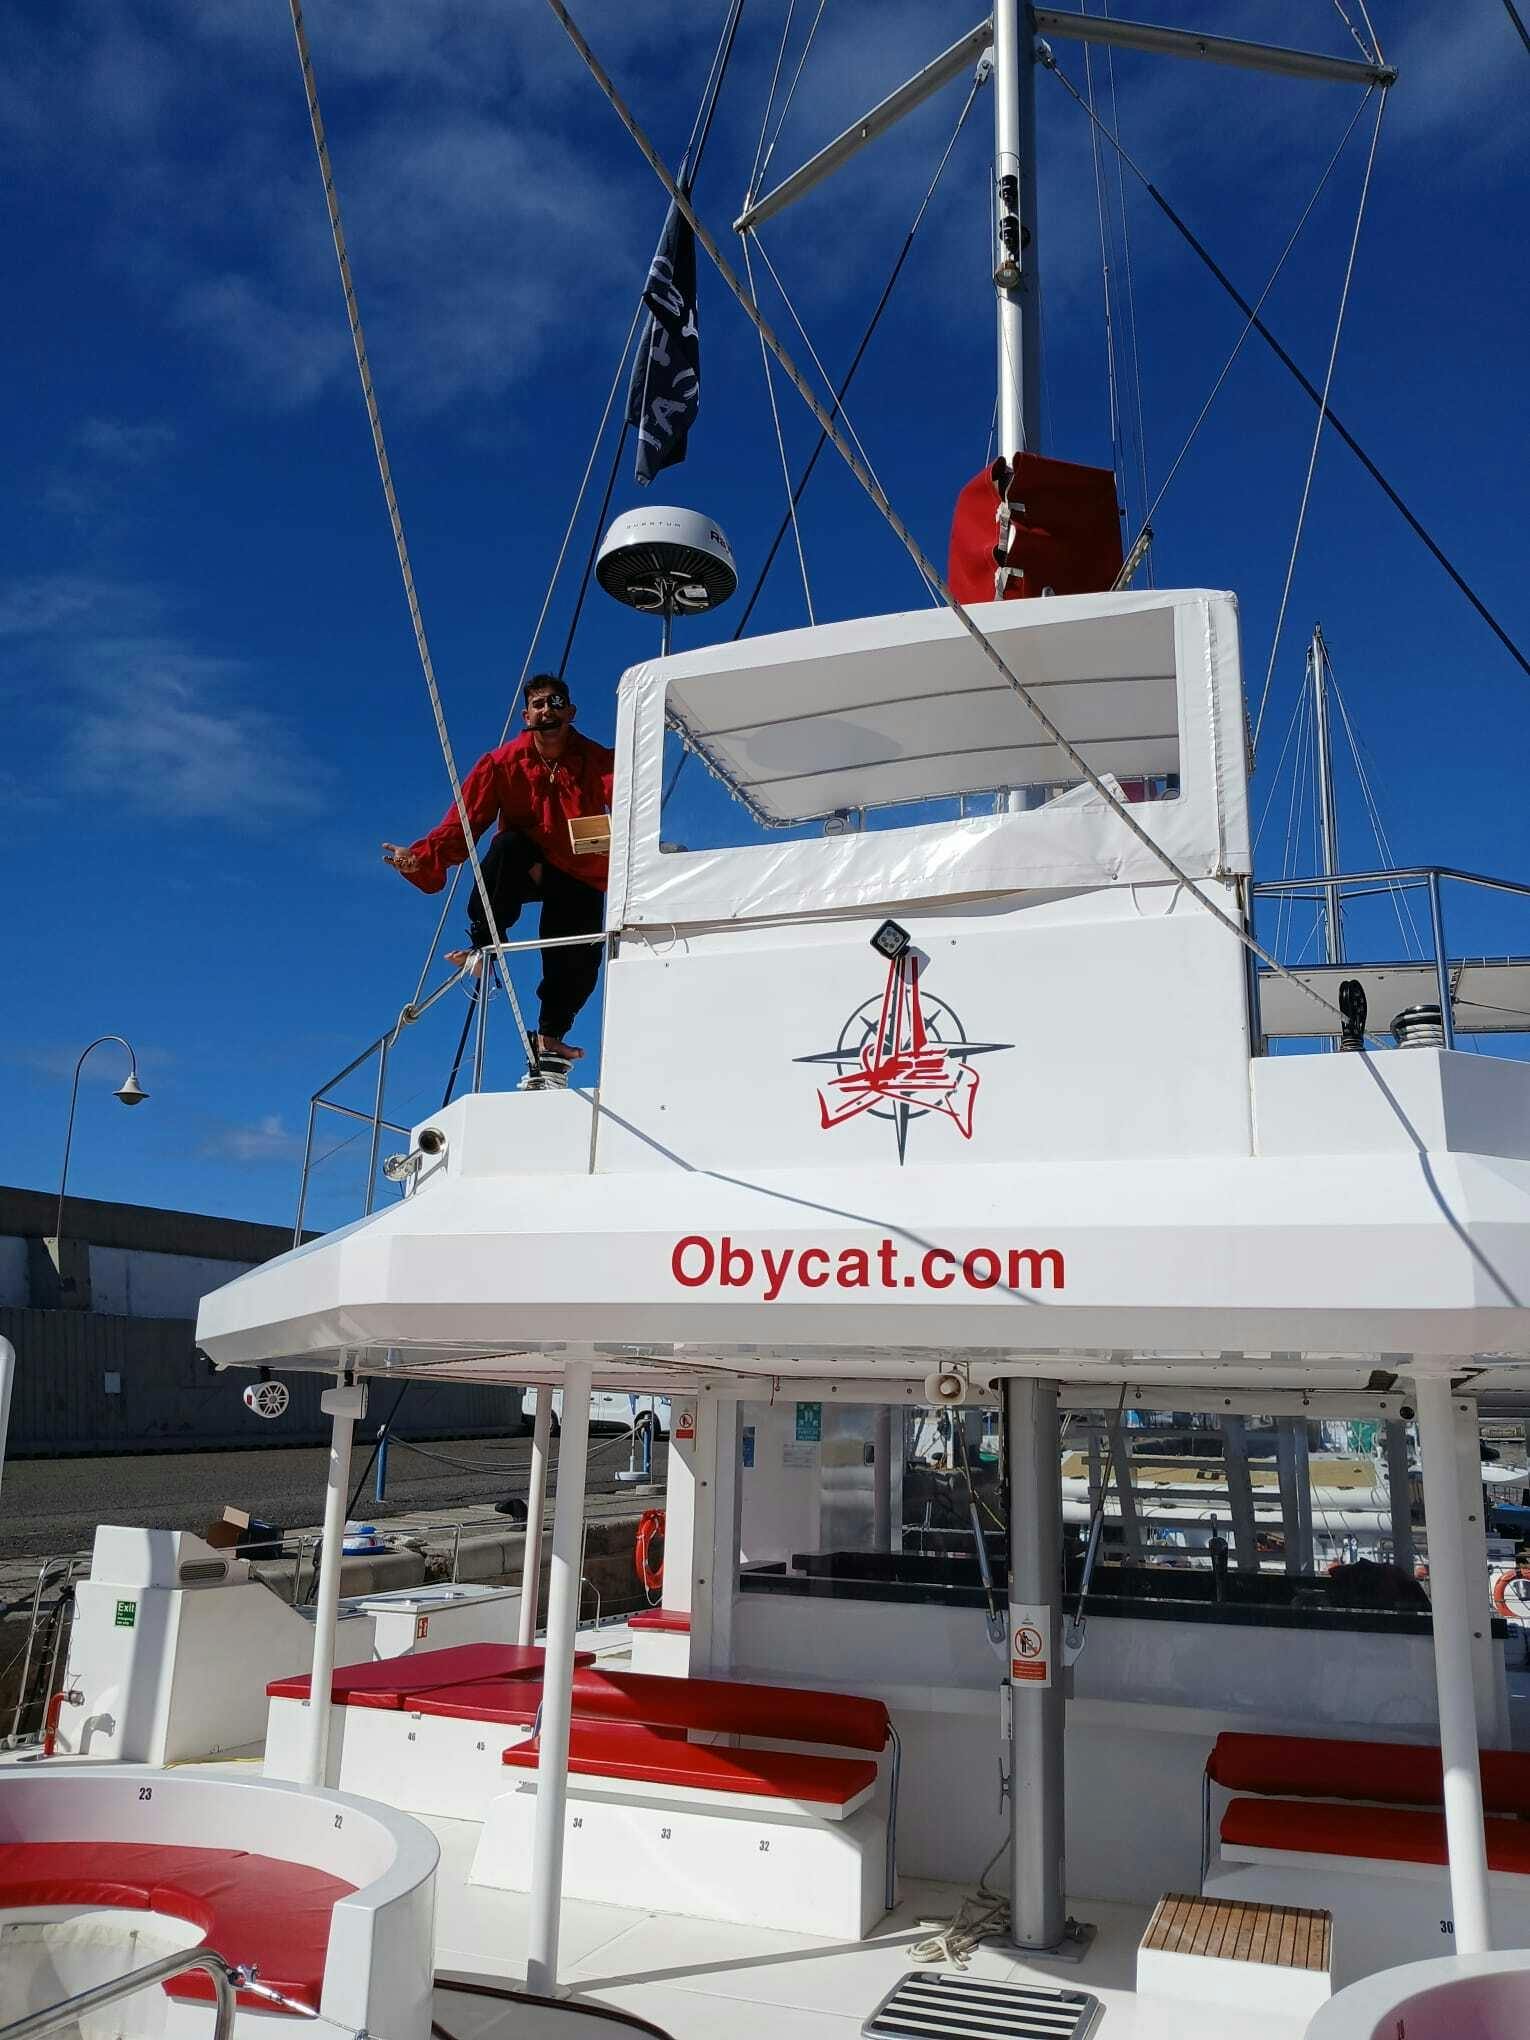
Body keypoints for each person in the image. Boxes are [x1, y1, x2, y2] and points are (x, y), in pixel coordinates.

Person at [383, 675, 614, 1083]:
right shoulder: (501, 764)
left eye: (556, 702)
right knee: (505, 848)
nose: (548, 710)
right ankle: (484, 947)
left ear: (571, 712)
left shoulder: (599, 762)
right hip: (527, 867)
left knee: (578, 957)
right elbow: (463, 826)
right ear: (526, 715)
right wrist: (419, 858)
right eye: (539, 704)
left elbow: (634, 802)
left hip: (580, 872)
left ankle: (551, 1038)